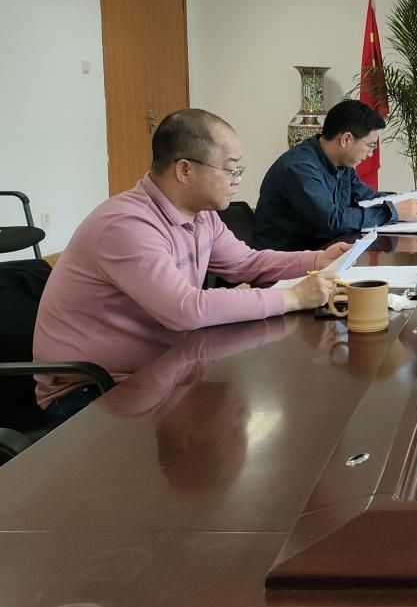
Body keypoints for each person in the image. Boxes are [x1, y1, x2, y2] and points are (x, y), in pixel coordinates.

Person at [34, 109, 346, 424]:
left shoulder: (202, 215)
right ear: (185, 170)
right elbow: (184, 309)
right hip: (89, 393)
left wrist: (316, 260)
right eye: (230, 169)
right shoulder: (127, 224)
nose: (237, 180)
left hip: (160, 373)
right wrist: (293, 297)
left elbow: (246, 263)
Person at [253, 99, 417, 251]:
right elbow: (332, 220)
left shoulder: (343, 164)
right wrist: (393, 211)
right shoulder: (300, 167)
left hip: (325, 253)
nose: (371, 154)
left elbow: (368, 198)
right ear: (346, 139)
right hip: (287, 263)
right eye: (370, 145)